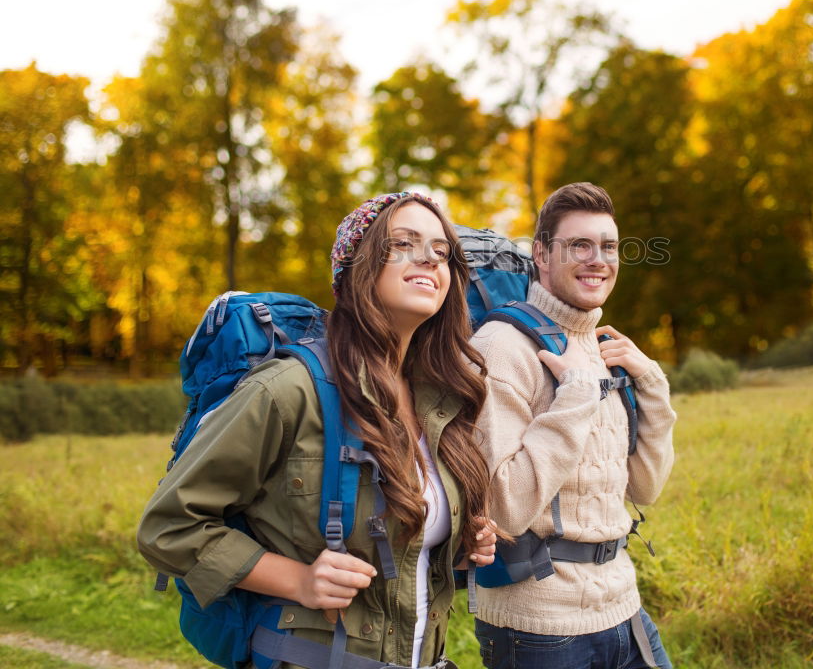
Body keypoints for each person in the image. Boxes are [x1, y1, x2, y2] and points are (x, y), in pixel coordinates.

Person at [137, 192, 497, 669]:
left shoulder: (440, 400)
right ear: (357, 267)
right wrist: (297, 580)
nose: (429, 257)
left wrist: (456, 542)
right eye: (403, 243)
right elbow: (169, 526)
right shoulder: (289, 389)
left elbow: (394, 549)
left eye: (441, 249)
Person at [471, 182, 677, 669]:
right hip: (540, 628)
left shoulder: (603, 347)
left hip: (624, 606)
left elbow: (645, 487)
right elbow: (502, 507)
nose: (598, 260)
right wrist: (577, 397)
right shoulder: (501, 348)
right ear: (541, 253)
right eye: (578, 246)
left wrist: (651, 382)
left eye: (608, 246)